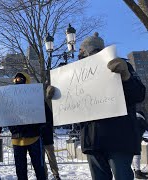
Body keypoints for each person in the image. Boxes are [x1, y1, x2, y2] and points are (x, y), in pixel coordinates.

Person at [46, 32, 146, 180]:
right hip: (92, 141)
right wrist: (53, 97)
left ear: (89, 50)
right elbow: (69, 109)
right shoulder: (73, 75)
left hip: (119, 139)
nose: (78, 52)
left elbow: (139, 95)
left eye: (81, 49)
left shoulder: (120, 64)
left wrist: (127, 77)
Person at [9, 72, 49, 180]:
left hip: (34, 137)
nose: (18, 82)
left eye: (21, 79)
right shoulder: (10, 98)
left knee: (39, 168)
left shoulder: (36, 97)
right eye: (16, 80)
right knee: (20, 170)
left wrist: (37, 128)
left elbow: (46, 115)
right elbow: (4, 115)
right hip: (17, 139)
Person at [41, 114, 60, 180]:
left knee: (51, 157)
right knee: (41, 159)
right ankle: (44, 174)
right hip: (39, 138)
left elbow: (51, 120)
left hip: (47, 138)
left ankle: (56, 174)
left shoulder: (47, 109)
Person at [132, 111, 148, 179]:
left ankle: (137, 171)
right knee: (136, 154)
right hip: (135, 138)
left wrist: (144, 138)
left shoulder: (132, 117)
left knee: (133, 155)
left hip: (127, 139)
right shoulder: (140, 119)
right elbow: (146, 128)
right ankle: (137, 172)